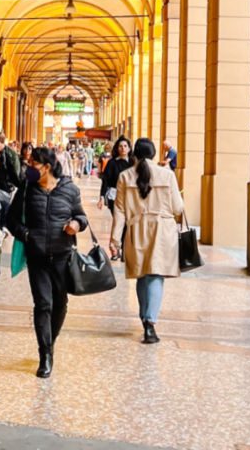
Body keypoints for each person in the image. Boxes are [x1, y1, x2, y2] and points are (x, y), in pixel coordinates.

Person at [5, 145, 88, 379]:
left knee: (60, 304)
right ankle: (45, 355)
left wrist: (76, 225)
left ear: (47, 167)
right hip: (37, 256)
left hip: (63, 256)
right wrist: (27, 236)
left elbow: (81, 216)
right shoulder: (27, 189)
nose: (29, 168)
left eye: (34, 164)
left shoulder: (69, 189)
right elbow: (10, 220)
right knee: (43, 304)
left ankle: (50, 342)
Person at [110, 137, 184, 344]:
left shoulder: (125, 176)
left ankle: (145, 318)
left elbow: (120, 210)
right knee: (155, 275)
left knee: (142, 274)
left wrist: (115, 239)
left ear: (135, 154)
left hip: (136, 229)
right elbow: (178, 208)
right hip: (162, 230)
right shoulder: (167, 175)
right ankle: (150, 323)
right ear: (152, 154)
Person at [98, 136, 133, 258]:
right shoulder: (112, 163)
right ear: (117, 148)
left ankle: (124, 249)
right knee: (119, 222)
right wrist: (102, 197)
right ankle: (116, 249)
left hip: (131, 198)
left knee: (128, 223)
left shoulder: (133, 162)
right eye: (120, 146)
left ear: (129, 148)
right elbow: (105, 181)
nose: (123, 148)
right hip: (115, 197)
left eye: (125, 146)